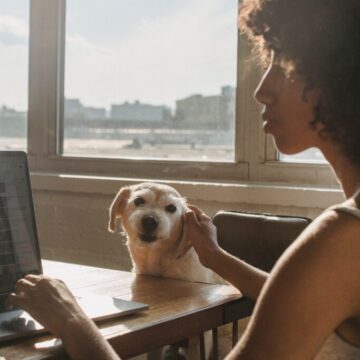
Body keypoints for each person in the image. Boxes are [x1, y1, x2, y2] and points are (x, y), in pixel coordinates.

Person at [5, 0, 360, 358]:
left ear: (338, 72)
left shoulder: (342, 240)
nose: (261, 90)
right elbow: (307, 297)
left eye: (282, 62)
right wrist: (215, 257)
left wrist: (71, 319)